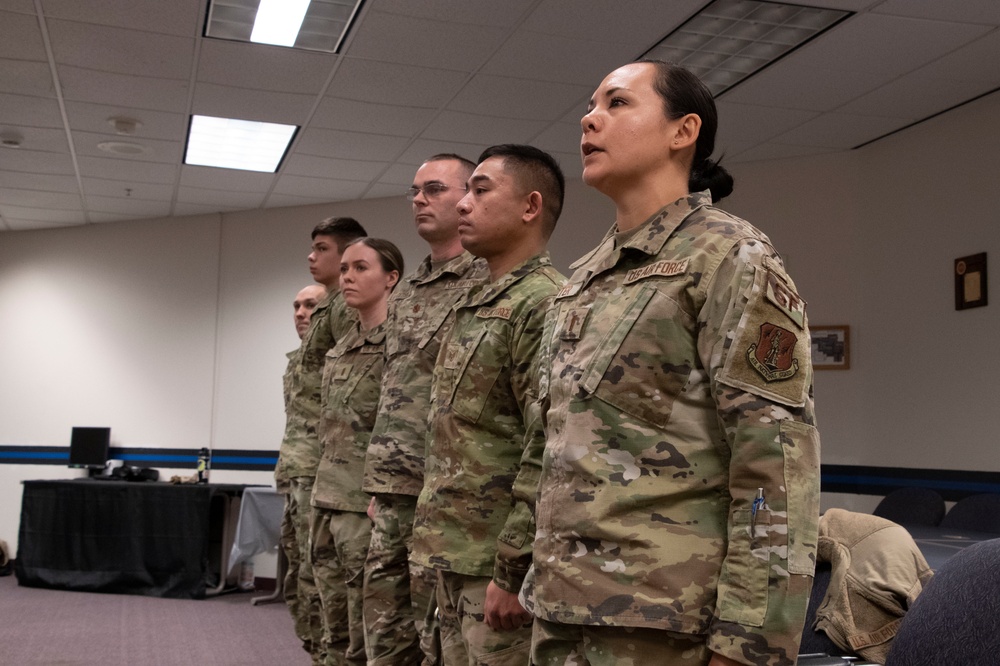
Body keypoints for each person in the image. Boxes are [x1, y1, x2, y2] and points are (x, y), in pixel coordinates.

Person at [523, 60, 821, 666]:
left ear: (682, 131)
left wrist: (751, 643)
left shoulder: (729, 257)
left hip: (664, 622)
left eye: (616, 103)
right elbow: (551, 441)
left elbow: (775, 462)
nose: (589, 117)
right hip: (562, 610)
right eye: (590, 104)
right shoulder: (583, 278)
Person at [411, 144, 567, 665]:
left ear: (530, 208)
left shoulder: (544, 302)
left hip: (494, 565)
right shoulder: (477, 301)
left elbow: (546, 445)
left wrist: (512, 566)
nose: (462, 205)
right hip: (453, 551)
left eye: (480, 192)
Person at [362, 155, 489, 666]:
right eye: (414, 190)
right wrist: (380, 486)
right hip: (394, 493)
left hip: (447, 500)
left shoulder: (486, 282)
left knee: (438, 640)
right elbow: (393, 389)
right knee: (384, 635)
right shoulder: (409, 290)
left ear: (466, 198)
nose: (418, 199)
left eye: (433, 188)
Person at [276, 217, 368, 665]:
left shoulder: (351, 316)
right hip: (302, 471)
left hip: (330, 475)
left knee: (330, 585)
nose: (312, 257)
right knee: (303, 579)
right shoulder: (324, 324)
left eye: (321, 248)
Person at [311, 238, 403, 666]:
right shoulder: (342, 345)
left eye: (360, 267)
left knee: (368, 630)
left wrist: (383, 493)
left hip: (363, 504)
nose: (347, 276)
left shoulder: (401, 345)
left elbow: (401, 425)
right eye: (344, 268)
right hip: (327, 497)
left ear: (391, 278)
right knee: (331, 621)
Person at [276, 283, 327, 646]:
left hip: (324, 483)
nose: (300, 312)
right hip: (294, 478)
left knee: (321, 577)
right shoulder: (297, 361)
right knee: (297, 576)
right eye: (296, 305)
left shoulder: (339, 357)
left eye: (309, 305)